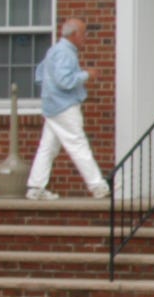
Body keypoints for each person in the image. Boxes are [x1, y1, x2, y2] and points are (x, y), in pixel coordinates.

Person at [27, 16, 109, 200]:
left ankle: (36, 187)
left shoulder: (54, 50)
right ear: (74, 34)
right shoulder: (65, 52)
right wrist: (86, 75)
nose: (85, 37)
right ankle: (98, 186)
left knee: (48, 147)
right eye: (83, 33)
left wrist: (50, 92)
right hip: (64, 107)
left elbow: (40, 74)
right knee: (78, 144)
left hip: (52, 106)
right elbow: (65, 81)